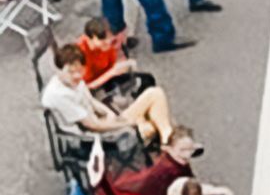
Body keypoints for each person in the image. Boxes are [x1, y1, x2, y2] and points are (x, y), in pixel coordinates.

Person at [40, 40, 176, 151]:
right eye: (71, 72)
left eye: (80, 71)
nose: (77, 76)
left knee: (155, 93)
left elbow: (91, 101)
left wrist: (109, 113)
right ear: (58, 70)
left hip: (103, 121)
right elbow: (92, 125)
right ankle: (168, 140)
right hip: (95, 136)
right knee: (151, 125)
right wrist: (127, 124)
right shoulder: (59, 95)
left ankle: (166, 137)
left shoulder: (71, 82)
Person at [110, 125, 228, 195]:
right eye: (182, 150)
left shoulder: (172, 162)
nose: (186, 154)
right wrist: (215, 191)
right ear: (169, 149)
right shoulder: (170, 170)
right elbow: (185, 189)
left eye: (189, 150)